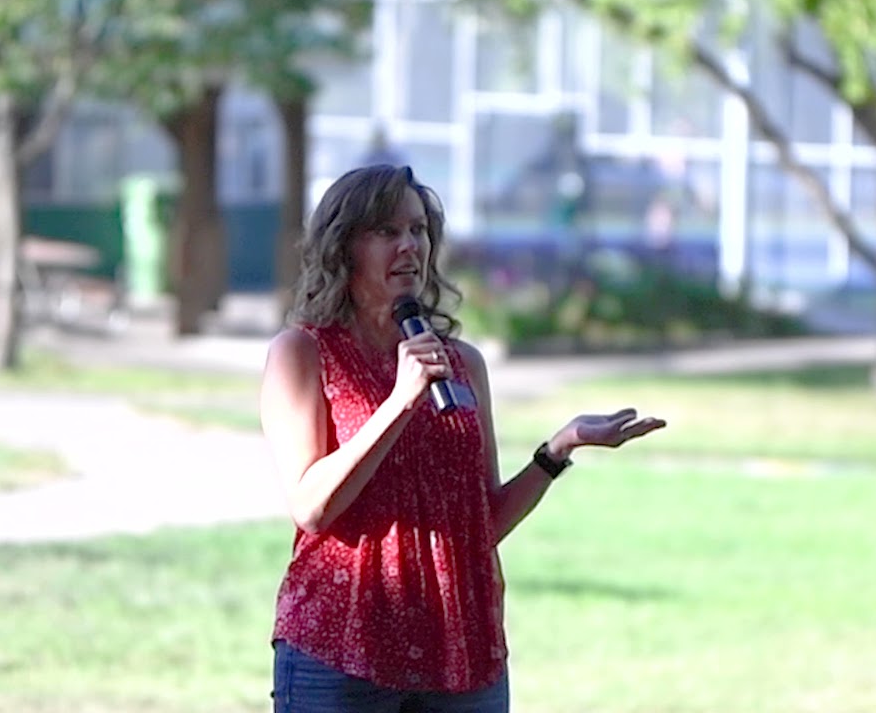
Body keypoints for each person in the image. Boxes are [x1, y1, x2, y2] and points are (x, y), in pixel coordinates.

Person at [260, 164, 666, 713]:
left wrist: (558, 449)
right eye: (386, 231)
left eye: (419, 230)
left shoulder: (462, 365)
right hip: (342, 652)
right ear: (343, 245)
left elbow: (481, 526)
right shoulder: (303, 353)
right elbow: (311, 507)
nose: (409, 245)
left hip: (459, 655)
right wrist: (400, 401)